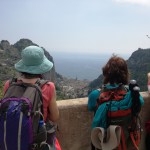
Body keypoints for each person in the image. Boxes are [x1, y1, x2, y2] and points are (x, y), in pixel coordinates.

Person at [3, 45, 61, 150]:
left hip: (11, 139)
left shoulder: (9, 84)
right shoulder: (48, 87)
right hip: (36, 142)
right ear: (41, 67)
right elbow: (54, 117)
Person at [88, 55, 144, 150]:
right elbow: (140, 103)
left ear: (106, 74)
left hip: (105, 142)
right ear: (126, 74)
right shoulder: (131, 94)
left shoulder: (96, 95)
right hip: (128, 141)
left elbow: (91, 107)